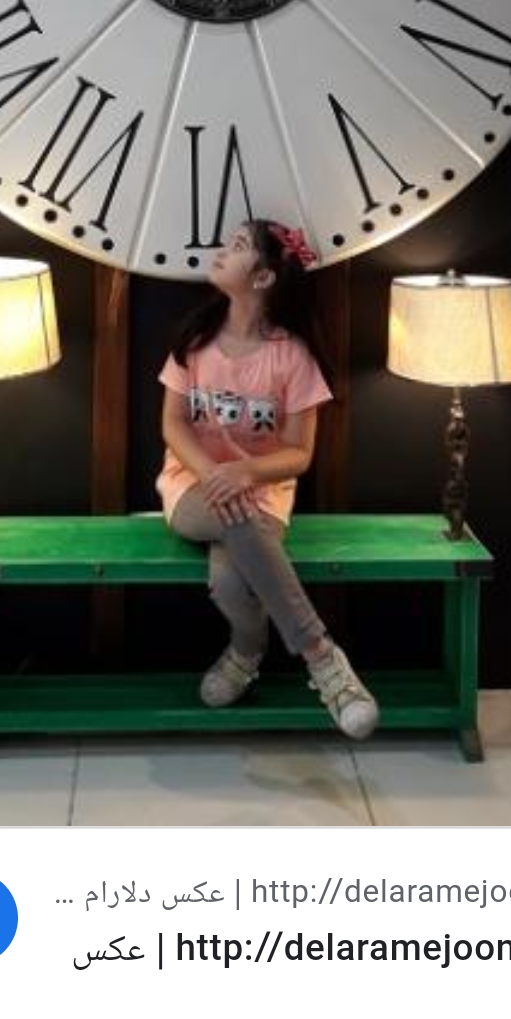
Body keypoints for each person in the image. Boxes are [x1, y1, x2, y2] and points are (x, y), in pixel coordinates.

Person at [156, 218, 379, 739]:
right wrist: (216, 475)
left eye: (237, 246)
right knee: (236, 516)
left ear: (262, 277)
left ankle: (245, 652)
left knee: (230, 579)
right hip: (190, 485)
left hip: (263, 494)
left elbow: (299, 453)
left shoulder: (292, 356)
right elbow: (172, 424)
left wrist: (246, 472)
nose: (221, 251)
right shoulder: (194, 340)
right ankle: (323, 658)